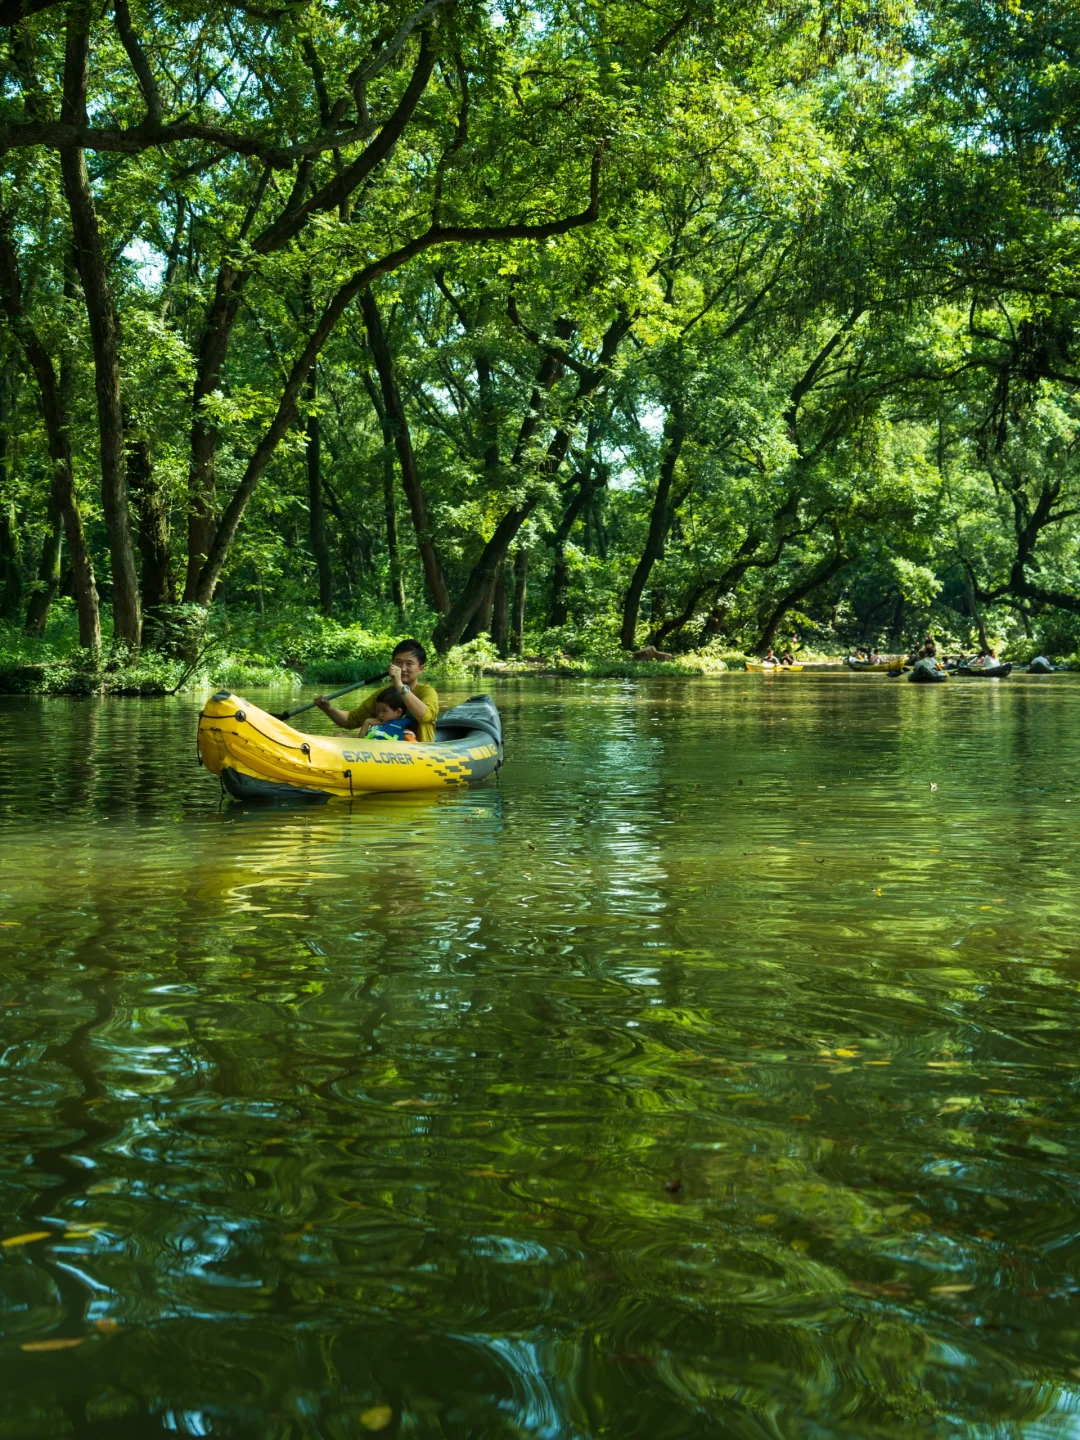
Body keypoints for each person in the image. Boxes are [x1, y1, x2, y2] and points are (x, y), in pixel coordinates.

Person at [313, 639, 440, 742]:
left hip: (416, 751)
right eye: (398, 662)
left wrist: (400, 686)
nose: (402, 668)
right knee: (339, 736)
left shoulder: (427, 692)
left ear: (421, 669)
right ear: (392, 665)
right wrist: (328, 708)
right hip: (383, 749)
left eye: (409, 664)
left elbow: (426, 716)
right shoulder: (384, 693)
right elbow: (351, 720)